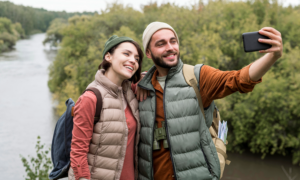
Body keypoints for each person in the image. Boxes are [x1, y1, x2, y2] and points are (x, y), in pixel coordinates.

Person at [136, 22, 283, 180]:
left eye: (173, 41)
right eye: (161, 44)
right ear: (149, 53)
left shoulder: (197, 77)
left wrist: (272, 56)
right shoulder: (139, 86)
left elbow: (239, 79)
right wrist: (138, 79)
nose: (170, 47)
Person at [68, 35, 144, 180]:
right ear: (108, 56)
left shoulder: (130, 93)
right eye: (126, 54)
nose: (133, 60)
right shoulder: (91, 98)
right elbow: (78, 153)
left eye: (137, 58)